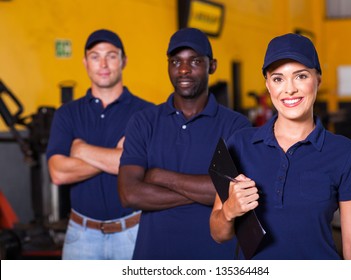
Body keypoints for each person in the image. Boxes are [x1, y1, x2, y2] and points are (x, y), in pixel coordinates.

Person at [209, 33, 351, 260]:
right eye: (278, 79)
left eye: (300, 76)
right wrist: (230, 210)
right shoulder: (239, 144)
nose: (289, 90)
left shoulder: (344, 153)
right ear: (268, 85)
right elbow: (218, 234)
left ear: (317, 79)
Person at [118, 27, 252, 259]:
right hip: (154, 258)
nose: (183, 69)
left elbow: (236, 193)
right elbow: (129, 194)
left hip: (216, 257)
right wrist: (209, 190)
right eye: (175, 61)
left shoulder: (236, 126)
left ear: (212, 66)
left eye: (195, 61)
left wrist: (159, 176)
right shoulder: (143, 122)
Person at [46, 29, 154, 259]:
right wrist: (118, 157)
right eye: (95, 56)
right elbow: (58, 173)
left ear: (123, 60)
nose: (103, 64)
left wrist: (81, 150)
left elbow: (145, 168)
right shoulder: (67, 114)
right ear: (85, 63)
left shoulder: (146, 113)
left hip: (132, 234)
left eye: (111, 56)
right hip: (81, 237)